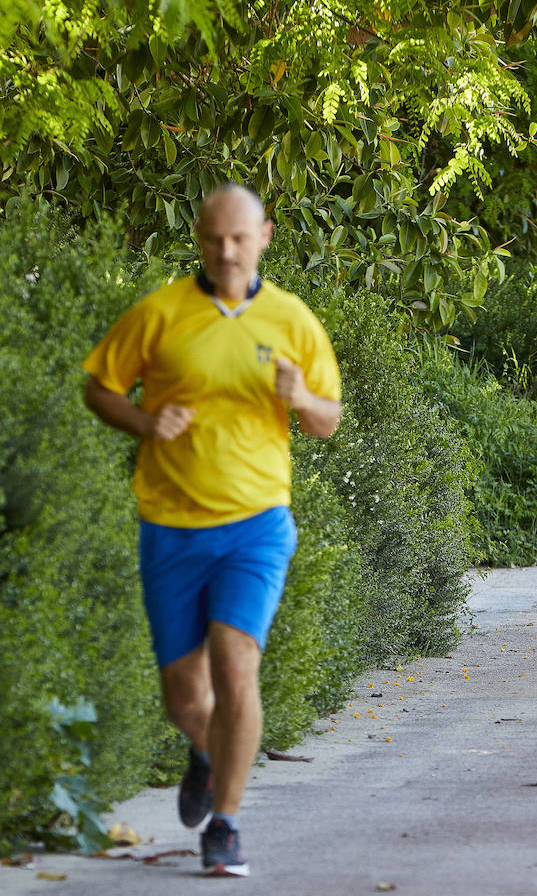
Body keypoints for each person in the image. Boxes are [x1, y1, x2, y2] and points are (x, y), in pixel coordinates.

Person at [82, 184, 342, 877]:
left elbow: (328, 419)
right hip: (169, 523)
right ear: (199, 238)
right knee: (184, 696)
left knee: (234, 663)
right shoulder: (161, 312)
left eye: (238, 237)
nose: (225, 251)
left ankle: (224, 824)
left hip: (256, 522)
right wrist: (143, 421)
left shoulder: (292, 319)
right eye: (212, 238)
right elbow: (99, 385)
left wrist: (301, 397)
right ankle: (205, 750)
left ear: (265, 236)